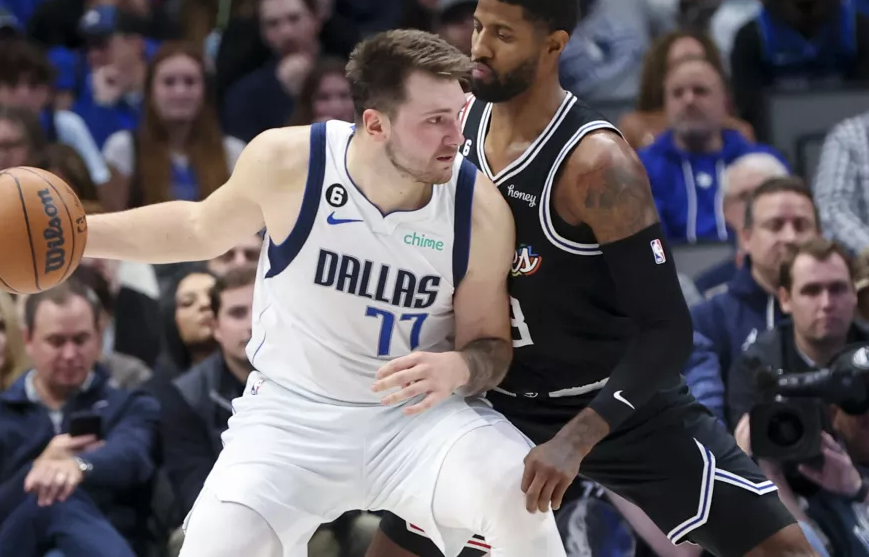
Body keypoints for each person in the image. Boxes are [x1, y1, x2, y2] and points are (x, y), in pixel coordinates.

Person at [78, 29, 565, 556]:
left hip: (413, 423)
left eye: (458, 113)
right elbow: (197, 228)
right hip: (291, 418)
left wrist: (462, 368)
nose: (456, 136)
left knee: (520, 495)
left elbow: (491, 346)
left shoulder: (477, 208)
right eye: (434, 121)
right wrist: (79, 235)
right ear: (376, 124)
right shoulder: (293, 161)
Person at [368, 0, 819, 556]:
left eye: (503, 36)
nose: (479, 47)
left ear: (554, 45)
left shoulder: (598, 165)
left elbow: (668, 331)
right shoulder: (455, 128)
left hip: (613, 403)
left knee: (785, 551)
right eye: (480, 27)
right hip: (495, 397)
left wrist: (577, 438)